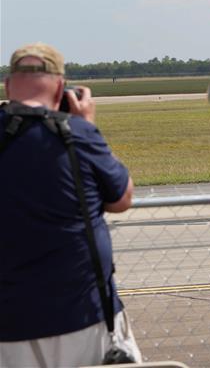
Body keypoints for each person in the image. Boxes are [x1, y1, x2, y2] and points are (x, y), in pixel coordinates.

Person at [0, 43, 141, 367]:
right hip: (83, 317)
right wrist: (87, 125)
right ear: (61, 88)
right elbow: (122, 198)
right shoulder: (77, 134)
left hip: (7, 324)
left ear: (8, 86)